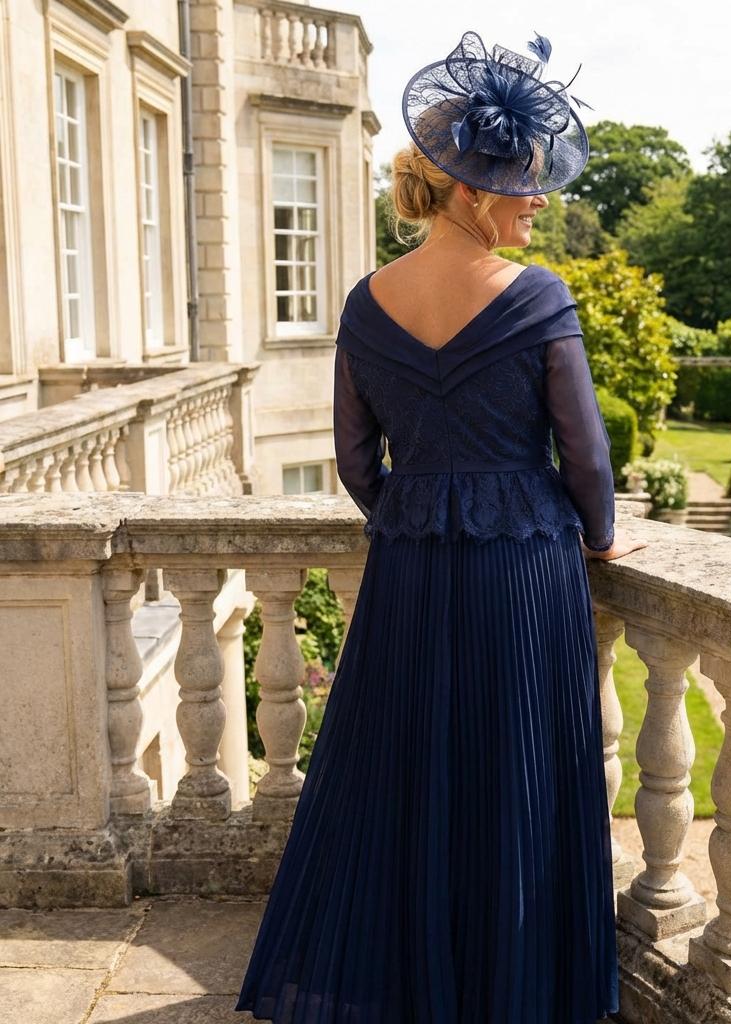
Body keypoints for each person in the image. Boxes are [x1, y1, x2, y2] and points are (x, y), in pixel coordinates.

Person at [235, 29, 647, 1023]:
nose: (537, 199)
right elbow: (586, 456)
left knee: (407, 775)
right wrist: (599, 536)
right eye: (523, 181)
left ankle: (409, 979)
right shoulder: (538, 296)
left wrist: (416, 511)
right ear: (469, 188)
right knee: (516, 775)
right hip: (522, 570)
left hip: (411, 568)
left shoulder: (365, 301)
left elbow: (353, 460)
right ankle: (512, 986)